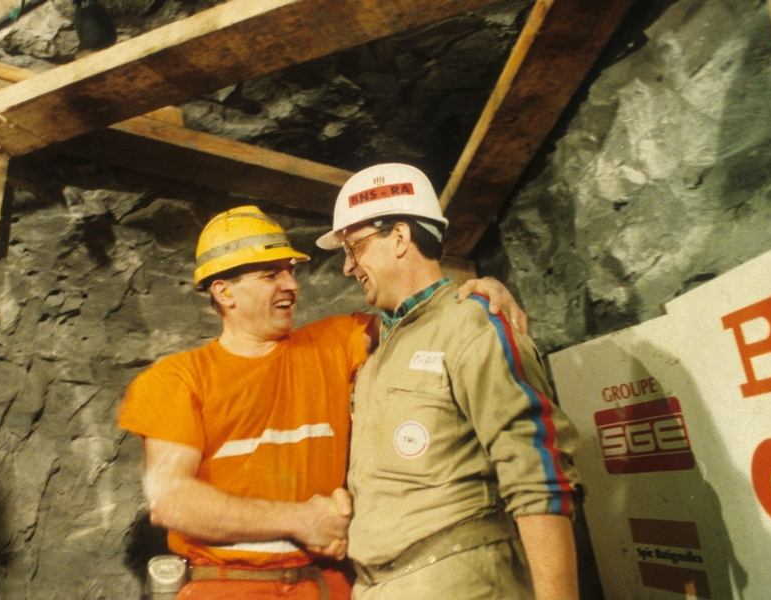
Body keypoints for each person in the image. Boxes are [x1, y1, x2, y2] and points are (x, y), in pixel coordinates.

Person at [118, 206, 525, 600]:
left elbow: (423, 314)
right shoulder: (174, 381)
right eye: (270, 274)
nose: (292, 286)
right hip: (228, 586)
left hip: (330, 584)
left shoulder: (333, 343)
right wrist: (302, 521)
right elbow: (172, 501)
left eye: (290, 272)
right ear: (224, 292)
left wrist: (476, 291)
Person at [315, 164, 584, 600]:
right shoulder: (378, 353)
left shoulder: (474, 325)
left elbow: (539, 475)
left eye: (355, 246)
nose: (348, 267)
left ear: (400, 237)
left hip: (459, 580)